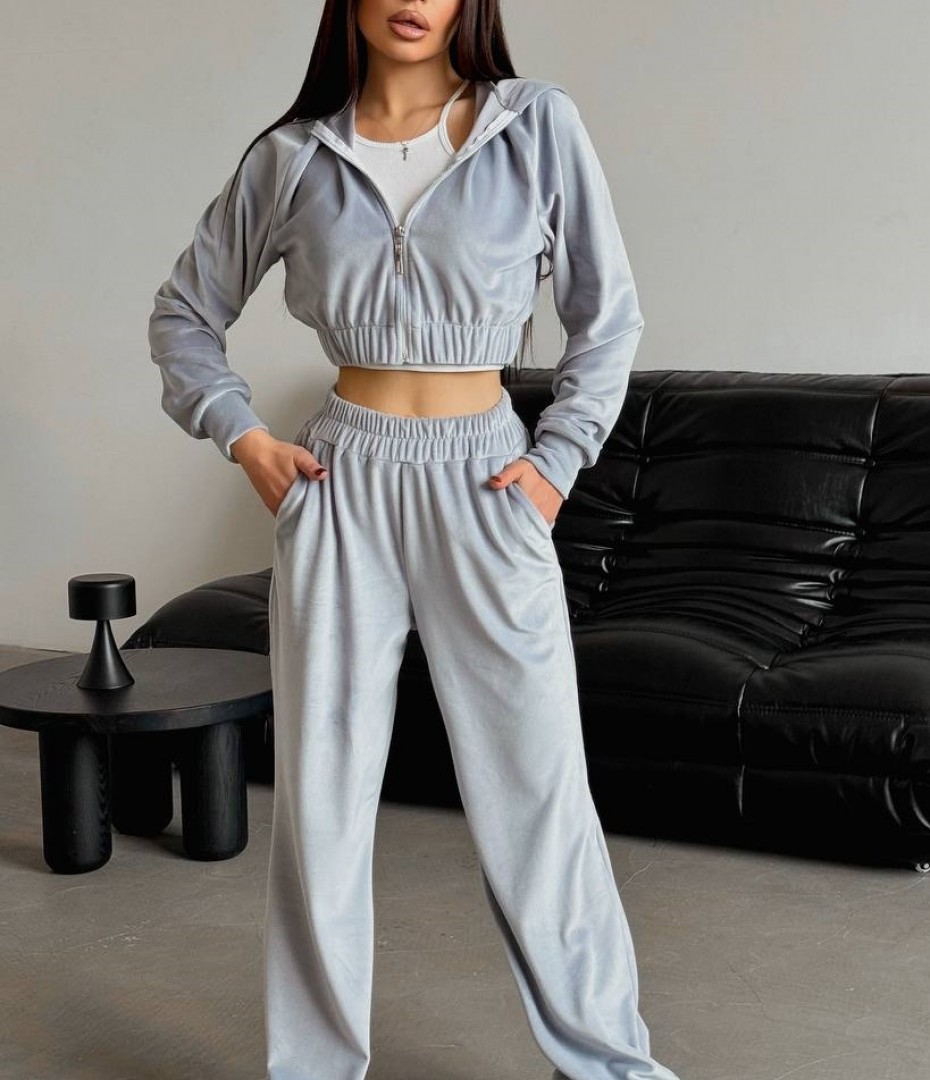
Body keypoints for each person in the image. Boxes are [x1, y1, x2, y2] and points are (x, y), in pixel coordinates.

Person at [148, 2, 682, 1078]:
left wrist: (557, 463)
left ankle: (611, 1065)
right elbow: (183, 316)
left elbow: (608, 316)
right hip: (342, 482)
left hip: (487, 481)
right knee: (321, 802)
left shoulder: (534, 126)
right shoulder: (294, 156)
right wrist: (244, 438)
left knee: (540, 796)